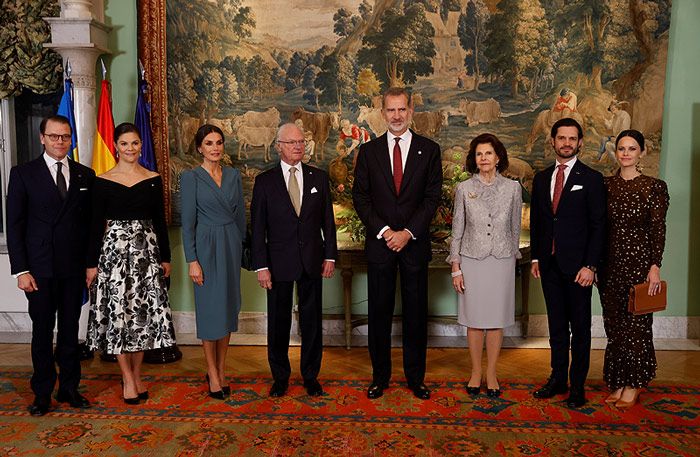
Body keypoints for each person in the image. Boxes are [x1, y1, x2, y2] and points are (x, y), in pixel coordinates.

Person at [352, 87, 443, 400]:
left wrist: (408, 233)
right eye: (390, 110)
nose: (396, 116)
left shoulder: (429, 150)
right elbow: (361, 198)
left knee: (416, 314)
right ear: (382, 113)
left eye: (402, 109)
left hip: (414, 246)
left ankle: (416, 379)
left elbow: (432, 198)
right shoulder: (369, 151)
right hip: (381, 246)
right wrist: (386, 232)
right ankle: (380, 377)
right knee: (379, 313)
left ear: (411, 111)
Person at [6, 115, 95, 416]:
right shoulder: (23, 174)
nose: (60, 142)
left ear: (71, 139)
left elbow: (92, 226)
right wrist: (21, 270)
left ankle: (69, 388)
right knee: (42, 332)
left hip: (73, 269)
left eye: (65, 137)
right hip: (39, 269)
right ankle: (42, 393)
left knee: (70, 331)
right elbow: (14, 225)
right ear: (42, 137)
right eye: (54, 136)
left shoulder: (85, 175)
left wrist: (91, 264)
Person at [85, 122, 176, 404]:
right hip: (113, 256)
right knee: (119, 317)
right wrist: (91, 264)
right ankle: (126, 378)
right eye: (124, 143)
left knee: (142, 318)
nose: (130, 149)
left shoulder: (153, 178)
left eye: (135, 143)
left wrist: (166, 257)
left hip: (146, 255)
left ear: (140, 146)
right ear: (115, 146)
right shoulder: (102, 180)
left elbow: (160, 221)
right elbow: (93, 226)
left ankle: (137, 375)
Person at [251, 123, 337, 398]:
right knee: (278, 322)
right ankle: (280, 377)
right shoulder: (264, 182)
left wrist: (330, 256)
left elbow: (328, 222)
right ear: (279, 146)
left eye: (301, 141)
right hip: (277, 264)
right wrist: (261, 266)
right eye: (292, 142)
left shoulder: (319, 178)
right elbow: (258, 228)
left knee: (312, 321)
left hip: (312, 260)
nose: (298, 146)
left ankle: (311, 376)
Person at [530, 117, 606, 408]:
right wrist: (536, 256)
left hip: (579, 269)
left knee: (581, 330)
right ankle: (557, 378)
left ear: (580, 143)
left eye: (572, 139)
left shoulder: (591, 178)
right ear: (553, 141)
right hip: (548, 265)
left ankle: (578, 387)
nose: (566, 143)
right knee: (557, 328)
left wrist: (591, 265)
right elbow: (539, 222)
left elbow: (599, 225)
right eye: (561, 138)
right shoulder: (541, 178)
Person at [598, 130, 669, 409]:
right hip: (609, 266)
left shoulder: (654, 187)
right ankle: (617, 381)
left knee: (637, 326)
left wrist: (655, 266)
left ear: (642, 152)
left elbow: (657, 229)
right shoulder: (605, 185)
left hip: (640, 265)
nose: (626, 153)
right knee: (614, 326)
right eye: (621, 148)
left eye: (632, 148)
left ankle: (634, 383)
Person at [448, 133, 522, 398]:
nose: (484, 158)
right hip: (472, 260)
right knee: (475, 320)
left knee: (496, 321)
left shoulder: (513, 189)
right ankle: (475, 372)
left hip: (501, 261)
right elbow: (457, 229)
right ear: (474, 159)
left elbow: (515, 229)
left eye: (488, 153)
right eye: (479, 154)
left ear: (498, 157)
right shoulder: (464, 189)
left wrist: (512, 259)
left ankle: (491, 372)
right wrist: (456, 267)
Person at [180, 124, 245, 400]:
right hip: (205, 247)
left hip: (230, 244)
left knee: (228, 309)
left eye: (219, 142)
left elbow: (241, 215)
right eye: (209, 143)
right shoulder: (191, 177)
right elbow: (187, 224)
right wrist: (192, 260)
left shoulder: (233, 176)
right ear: (199, 148)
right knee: (210, 312)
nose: (215, 148)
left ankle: (221, 368)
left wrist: (239, 247)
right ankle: (212, 372)